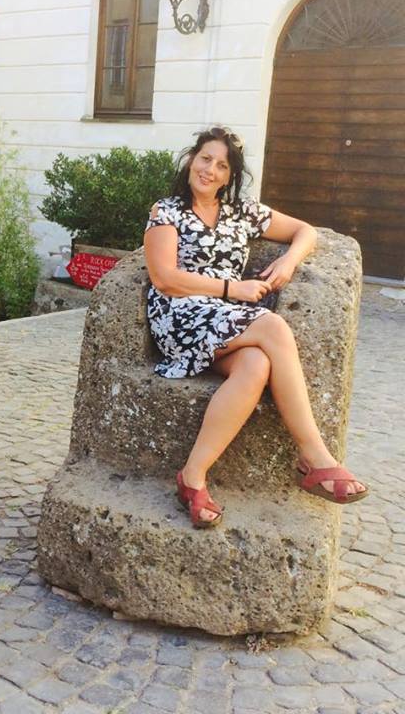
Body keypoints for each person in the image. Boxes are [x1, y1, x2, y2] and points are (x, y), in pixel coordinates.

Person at [143, 126, 368, 529]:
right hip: (181, 316)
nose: (210, 170)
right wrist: (234, 288)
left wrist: (288, 262)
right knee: (274, 328)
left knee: (256, 365)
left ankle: (192, 478)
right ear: (191, 160)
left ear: (230, 175)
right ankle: (314, 455)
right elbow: (165, 278)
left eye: (221, 165)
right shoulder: (167, 210)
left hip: (224, 322)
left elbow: (305, 231)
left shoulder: (242, 212)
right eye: (205, 159)